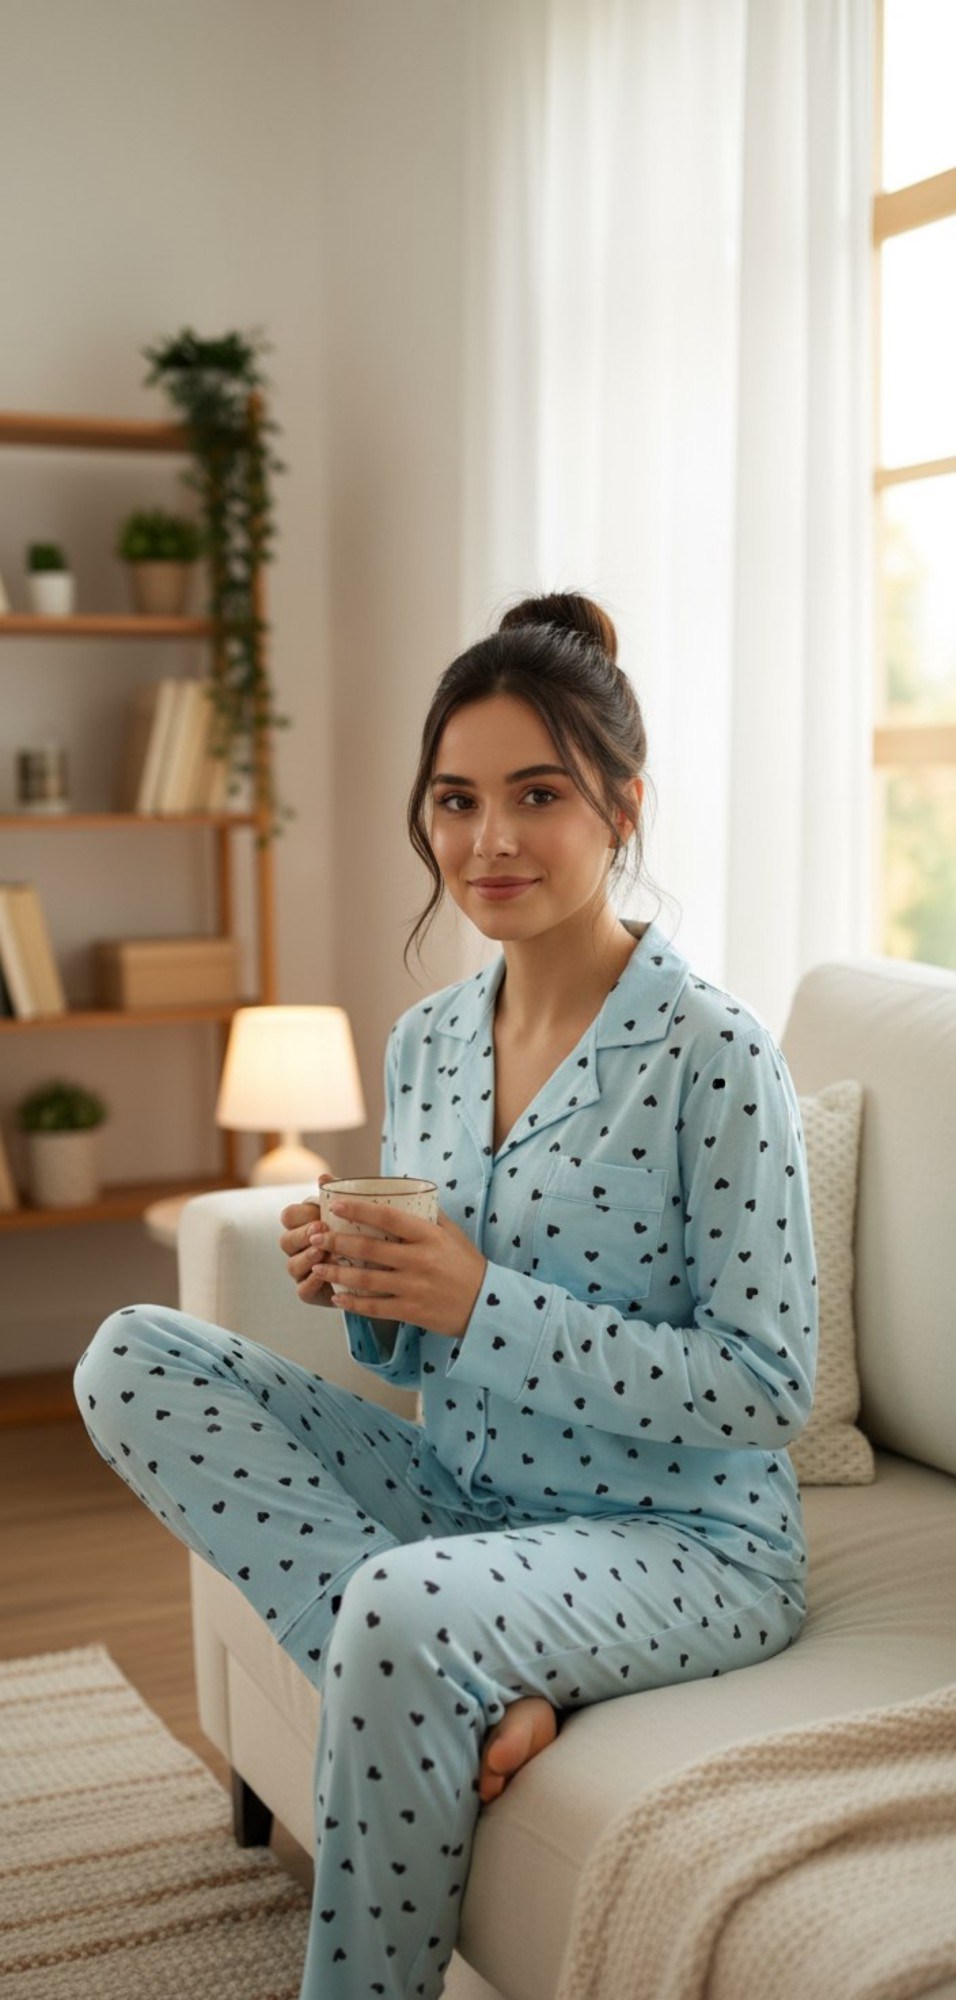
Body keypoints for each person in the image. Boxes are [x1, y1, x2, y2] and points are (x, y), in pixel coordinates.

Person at [75, 591, 817, 2000]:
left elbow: (766, 1386)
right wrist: (363, 1287)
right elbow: (419, 1351)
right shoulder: (427, 1042)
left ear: (623, 808)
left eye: (537, 795)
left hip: (684, 1541)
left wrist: (483, 1303)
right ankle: (494, 1673)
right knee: (130, 1359)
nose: (489, 841)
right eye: (456, 798)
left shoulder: (713, 1055)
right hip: (465, 1491)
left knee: (406, 1613)